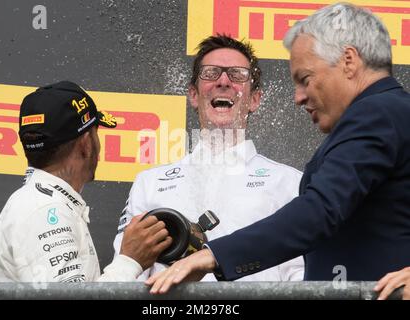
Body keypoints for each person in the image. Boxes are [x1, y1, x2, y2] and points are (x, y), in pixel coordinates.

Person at [146, 2, 410, 295]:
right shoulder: (389, 114)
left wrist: (214, 255)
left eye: (305, 79)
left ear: (349, 60)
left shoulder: (378, 113)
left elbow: (320, 209)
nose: (297, 97)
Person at [113, 35, 304, 282]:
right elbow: (127, 274)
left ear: (254, 99)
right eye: (211, 73)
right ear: (193, 94)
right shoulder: (149, 183)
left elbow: (300, 280)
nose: (223, 81)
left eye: (237, 74)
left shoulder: (288, 182)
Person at [0, 81, 172, 282]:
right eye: (96, 133)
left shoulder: (39, 202)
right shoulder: (45, 211)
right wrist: (129, 261)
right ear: (86, 144)